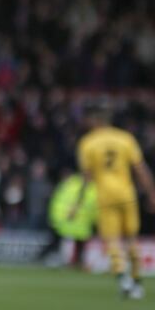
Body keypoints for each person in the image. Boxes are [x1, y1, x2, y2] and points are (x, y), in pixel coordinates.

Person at [71, 100, 155, 300]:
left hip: (106, 196)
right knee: (132, 239)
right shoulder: (125, 138)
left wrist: (78, 202)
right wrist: (151, 193)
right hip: (127, 194)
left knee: (112, 241)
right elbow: (140, 169)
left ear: (95, 121)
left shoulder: (88, 142)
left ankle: (124, 280)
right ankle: (136, 282)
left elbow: (86, 177)